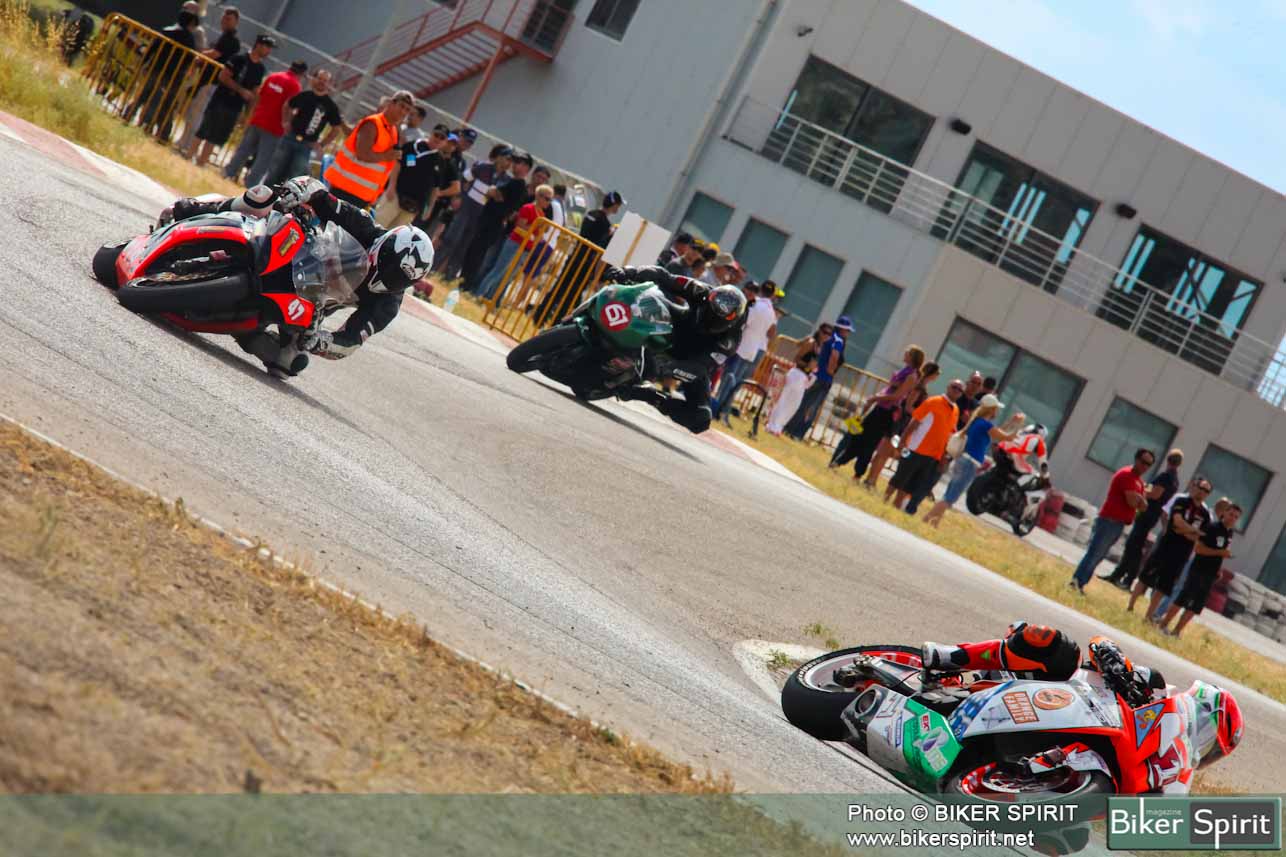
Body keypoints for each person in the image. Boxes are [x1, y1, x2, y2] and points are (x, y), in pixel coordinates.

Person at [170, 177, 434, 374]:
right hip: (299, 252)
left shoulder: (387, 304)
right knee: (264, 198)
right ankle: (199, 210)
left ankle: (245, 329)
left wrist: (321, 342)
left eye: (399, 279)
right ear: (384, 245)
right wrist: (300, 190)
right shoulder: (365, 226)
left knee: (289, 362)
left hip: (309, 303)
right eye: (390, 267)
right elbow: (322, 196)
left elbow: (350, 342)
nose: (389, 278)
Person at [598, 265, 748, 434]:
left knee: (701, 419)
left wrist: (666, 368)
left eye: (716, 317)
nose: (709, 317)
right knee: (652, 300)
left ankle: (649, 396)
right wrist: (630, 272)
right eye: (709, 309)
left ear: (731, 321)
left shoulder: (731, 340)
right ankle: (611, 333)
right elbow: (665, 276)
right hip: (677, 326)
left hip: (691, 360)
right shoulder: (701, 291)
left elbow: (700, 368)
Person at [922, 395, 1021, 527]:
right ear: (991, 409)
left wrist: (1010, 422)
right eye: (996, 408)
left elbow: (997, 432)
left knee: (950, 493)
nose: (997, 411)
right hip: (970, 463)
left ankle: (935, 522)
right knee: (951, 497)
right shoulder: (985, 425)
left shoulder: (978, 421)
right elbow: (1005, 437)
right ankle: (927, 518)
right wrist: (1018, 425)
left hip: (963, 460)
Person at [1068, 448, 1153, 593]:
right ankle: (1076, 581)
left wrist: (1140, 499)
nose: (1145, 466)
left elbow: (1144, 506)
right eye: (1143, 462)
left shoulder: (1139, 481)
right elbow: (1133, 502)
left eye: (1149, 464)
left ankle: (1080, 583)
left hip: (1119, 523)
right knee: (1095, 553)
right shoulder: (1126, 475)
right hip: (1109, 520)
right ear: (1136, 459)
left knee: (1099, 556)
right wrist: (1140, 499)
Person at [832, 345, 924, 474]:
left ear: (913, 357)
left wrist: (876, 398)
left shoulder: (911, 376)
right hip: (880, 407)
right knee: (858, 435)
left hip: (887, 412)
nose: (904, 354)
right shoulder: (904, 371)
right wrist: (876, 397)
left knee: (870, 441)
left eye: (907, 353)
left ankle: (856, 470)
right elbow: (890, 388)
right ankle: (841, 461)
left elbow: (898, 395)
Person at [1128, 477, 1213, 617]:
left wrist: (1187, 531)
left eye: (1206, 491)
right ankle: (1130, 606)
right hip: (1166, 545)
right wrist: (1192, 530)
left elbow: (1200, 535)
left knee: (1164, 586)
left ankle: (1149, 615)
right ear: (1194, 486)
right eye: (1201, 488)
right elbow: (1176, 522)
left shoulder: (1206, 514)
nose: (1202, 492)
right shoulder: (1182, 501)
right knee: (1146, 576)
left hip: (1182, 553)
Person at [1104, 448, 1184, 590]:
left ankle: (1128, 579)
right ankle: (1118, 574)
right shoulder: (1175, 480)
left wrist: (1141, 489)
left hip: (1148, 512)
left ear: (1168, 459)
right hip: (1154, 514)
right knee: (1134, 544)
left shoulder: (1166, 476)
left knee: (1134, 545)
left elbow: (1156, 494)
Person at [190, 35, 275, 167]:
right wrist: (241, 90)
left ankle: (201, 162)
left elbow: (254, 91)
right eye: (267, 47)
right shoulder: (239, 59)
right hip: (221, 99)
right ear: (258, 45)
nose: (269, 51)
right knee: (205, 129)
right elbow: (223, 76)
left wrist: (247, 114)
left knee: (217, 136)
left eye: (270, 48)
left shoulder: (260, 69)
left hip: (235, 106)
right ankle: (189, 155)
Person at [1157, 502, 1239, 638]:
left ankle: (1176, 631)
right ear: (1224, 513)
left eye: (1236, 517)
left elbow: (1223, 552)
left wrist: (1219, 568)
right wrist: (1219, 553)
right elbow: (1199, 548)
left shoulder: (1229, 533)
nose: (1232, 518)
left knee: (1196, 605)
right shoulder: (1212, 528)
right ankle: (1163, 624)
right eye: (1231, 514)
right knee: (1183, 598)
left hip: (1211, 573)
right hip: (1199, 569)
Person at [323, 90, 413, 208]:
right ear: (392, 103)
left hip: (362, 195)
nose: (403, 112)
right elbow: (362, 154)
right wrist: (386, 156)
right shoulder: (373, 124)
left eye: (407, 110)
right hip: (345, 190)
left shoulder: (393, 131)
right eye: (401, 106)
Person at [223, 59, 306, 187]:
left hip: (258, 119)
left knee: (244, 150)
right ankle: (251, 184)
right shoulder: (295, 85)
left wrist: (252, 114)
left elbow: (259, 96)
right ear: (302, 73)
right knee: (264, 159)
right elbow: (290, 107)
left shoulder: (273, 76)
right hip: (275, 127)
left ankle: (228, 172)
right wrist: (287, 123)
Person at [885, 377, 963, 511]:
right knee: (900, 476)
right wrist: (902, 441)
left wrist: (944, 456)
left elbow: (949, 434)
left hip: (933, 455)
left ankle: (896, 505)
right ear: (948, 387)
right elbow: (915, 421)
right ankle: (885, 498)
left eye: (959, 389)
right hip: (915, 448)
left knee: (911, 483)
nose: (956, 390)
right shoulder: (933, 401)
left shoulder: (956, 410)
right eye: (954, 387)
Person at [434, 144, 512, 276]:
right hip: (467, 206)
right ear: (499, 157)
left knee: (464, 246)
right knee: (451, 239)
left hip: (481, 214)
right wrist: (459, 197)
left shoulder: (506, 180)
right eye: (506, 158)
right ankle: (432, 269)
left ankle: (448, 277)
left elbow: (500, 199)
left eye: (510, 160)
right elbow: (463, 178)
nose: (508, 163)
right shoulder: (483, 167)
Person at [461, 152, 533, 292]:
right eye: (515, 161)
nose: (515, 165)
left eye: (520, 163)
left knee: (477, 253)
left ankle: (465, 284)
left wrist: (495, 192)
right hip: (487, 218)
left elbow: (495, 193)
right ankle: (463, 281)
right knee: (473, 250)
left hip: (494, 222)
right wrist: (494, 192)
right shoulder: (510, 181)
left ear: (526, 168)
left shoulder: (518, 184)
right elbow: (492, 192)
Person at [267, 69, 346, 185]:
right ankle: (267, 195)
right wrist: (285, 122)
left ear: (329, 84)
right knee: (275, 171)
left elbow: (336, 128)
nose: (322, 82)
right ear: (314, 79)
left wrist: (321, 144)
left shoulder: (330, 106)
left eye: (325, 80)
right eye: (319, 79)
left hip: (307, 146)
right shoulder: (304, 95)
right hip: (290, 138)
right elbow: (288, 105)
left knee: (296, 178)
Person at [712, 281, 777, 422]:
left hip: (741, 346)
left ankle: (717, 407)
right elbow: (770, 332)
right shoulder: (771, 311)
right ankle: (724, 410)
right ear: (772, 294)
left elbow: (745, 321)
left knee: (728, 379)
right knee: (736, 382)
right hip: (752, 349)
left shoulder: (755, 304)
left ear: (761, 290)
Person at [477, 183, 554, 301]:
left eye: (550, 200)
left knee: (509, 276)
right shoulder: (528, 208)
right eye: (547, 199)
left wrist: (540, 233)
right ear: (538, 196)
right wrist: (536, 228)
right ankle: (479, 294)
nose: (548, 202)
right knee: (499, 270)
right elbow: (520, 225)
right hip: (515, 243)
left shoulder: (542, 215)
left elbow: (538, 233)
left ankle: (492, 299)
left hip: (526, 248)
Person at [784, 317, 852, 440]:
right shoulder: (838, 340)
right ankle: (796, 432)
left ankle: (790, 428)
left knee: (803, 403)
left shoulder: (830, 338)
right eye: (847, 330)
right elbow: (834, 355)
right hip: (823, 378)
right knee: (811, 407)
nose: (848, 333)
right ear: (842, 329)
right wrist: (830, 370)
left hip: (815, 376)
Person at [377, 129, 459, 229]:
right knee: (378, 225)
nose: (438, 139)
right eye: (436, 135)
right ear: (431, 134)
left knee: (396, 234)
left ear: (445, 142)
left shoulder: (440, 161)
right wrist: (391, 186)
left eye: (442, 138)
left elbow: (435, 187)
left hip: (413, 206)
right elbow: (398, 165)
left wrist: (429, 208)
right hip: (395, 195)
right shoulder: (412, 146)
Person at [766, 353, 815, 436]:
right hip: (796, 375)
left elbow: (809, 382)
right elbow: (798, 359)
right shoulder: (810, 349)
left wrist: (810, 374)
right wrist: (807, 367)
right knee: (783, 401)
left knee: (792, 405)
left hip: (801, 380)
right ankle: (772, 425)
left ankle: (778, 426)